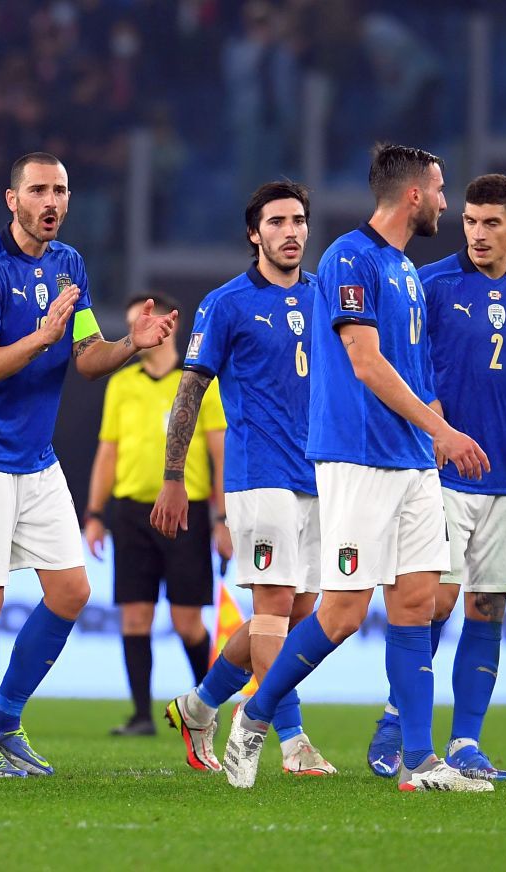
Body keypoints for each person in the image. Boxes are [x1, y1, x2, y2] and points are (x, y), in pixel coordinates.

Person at [218, 144, 494, 793]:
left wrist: (437, 441)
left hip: (412, 464)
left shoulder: (403, 268)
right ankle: (254, 718)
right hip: (357, 460)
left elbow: (418, 374)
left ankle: (420, 763)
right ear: (413, 196)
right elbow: (365, 361)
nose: (447, 203)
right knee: (342, 613)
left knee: (417, 604)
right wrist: (444, 430)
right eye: (440, 190)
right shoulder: (350, 257)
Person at [0, 151, 177, 776]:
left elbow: (87, 355)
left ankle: (7, 721)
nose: (52, 201)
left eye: (61, 190)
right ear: (11, 199)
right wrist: (42, 336)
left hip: (36, 461)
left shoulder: (69, 265)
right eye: (39, 189)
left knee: (71, 592)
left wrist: (131, 345)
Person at [367, 173, 506, 781]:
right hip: (436, 474)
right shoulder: (430, 283)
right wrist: (426, 403)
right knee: (432, 601)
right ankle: (395, 726)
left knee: (487, 607)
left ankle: (466, 742)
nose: (478, 233)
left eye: (492, 223)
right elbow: (389, 358)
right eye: (469, 221)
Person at [153, 181, 334, 777]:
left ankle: (199, 705)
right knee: (276, 610)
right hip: (260, 477)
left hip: (319, 475)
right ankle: (291, 738)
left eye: (299, 220)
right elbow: (190, 391)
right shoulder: (226, 303)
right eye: (278, 222)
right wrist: (174, 476)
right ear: (254, 233)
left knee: (292, 617)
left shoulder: (327, 295)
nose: (292, 231)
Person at [85, 291, 230, 737]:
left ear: (171, 324)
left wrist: (221, 519)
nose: (138, 331)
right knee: (135, 617)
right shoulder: (121, 384)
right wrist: (94, 512)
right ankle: (141, 716)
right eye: (131, 324)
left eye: (145, 321)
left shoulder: (199, 381)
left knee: (187, 621)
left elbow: (218, 453)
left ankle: (205, 706)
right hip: (131, 513)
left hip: (186, 514)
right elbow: (107, 453)